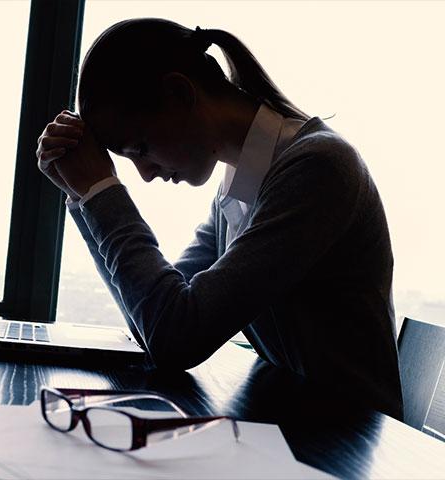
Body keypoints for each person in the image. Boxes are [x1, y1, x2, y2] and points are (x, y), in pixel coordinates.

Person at [35, 18, 403, 420]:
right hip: (297, 426)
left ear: (179, 93)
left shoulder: (317, 168)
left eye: (140, 147)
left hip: (353, 448)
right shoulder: (240, 186)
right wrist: (84, 196)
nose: (145, 174)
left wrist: (102, 193)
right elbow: (154, 322)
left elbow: (177, 337)